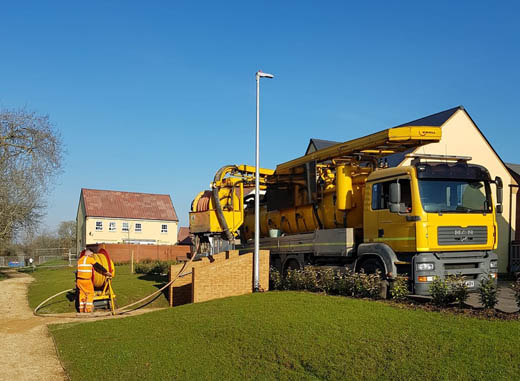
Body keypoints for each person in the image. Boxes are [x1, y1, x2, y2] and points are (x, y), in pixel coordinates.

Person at [76, 248, 112, 313]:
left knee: (82, 294)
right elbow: (98, 266)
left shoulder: (80, 260)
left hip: (79, 281)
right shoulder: (90, 259)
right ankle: (88, 310)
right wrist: (106, 272)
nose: (92, 255)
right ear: (88, 253)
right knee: (90, 294)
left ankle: (81, 309)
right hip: (86, 280)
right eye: (91, 254)